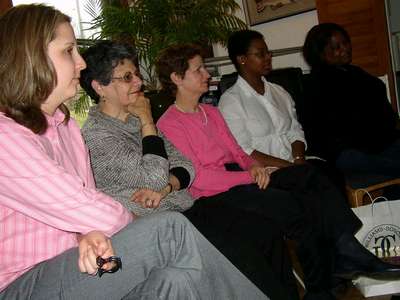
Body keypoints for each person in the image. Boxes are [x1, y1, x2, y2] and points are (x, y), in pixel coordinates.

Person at [0, 4, 270, 300]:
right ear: (31, 58)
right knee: (169, 230)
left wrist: (87, 233)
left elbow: (181, 164)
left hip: (83, 258)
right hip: (24, 284)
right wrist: (114, 221)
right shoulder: (6, 136)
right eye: (68, 51)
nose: (79, 63)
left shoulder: (66, 128)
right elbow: (91, 207)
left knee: (176, 280)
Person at [155, 43, 400, 300]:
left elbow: (239, 153)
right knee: (294, 206)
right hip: (212, 195)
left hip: (240, 179)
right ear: (177, 78)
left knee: (309, 175)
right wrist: (250, 175)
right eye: (199, 69)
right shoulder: (170, 124)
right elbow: (200, 179)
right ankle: (322, 287)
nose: (207, 74)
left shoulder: (212, 113)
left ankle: (346, 248)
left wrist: (256, 167)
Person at [80, 40, 296, 300]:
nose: (138, 82)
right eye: (128, 77)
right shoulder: (98, 136)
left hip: (186, 206)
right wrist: (149, 123)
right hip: (160, 224)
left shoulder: (134, 118)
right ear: (100, 87)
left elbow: (185, 166)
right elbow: (154, 174)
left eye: (136, 74)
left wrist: (168, 185)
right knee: (242, 253)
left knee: (265, 231)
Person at [219, 29, 345, 191]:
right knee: (313, 185)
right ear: (242, 59)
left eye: (268, 52)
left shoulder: (280, 92)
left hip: (296, 164)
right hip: (266, 172)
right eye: (260, 54)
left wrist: (299, 159)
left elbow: (295, 130)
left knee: (332, 175)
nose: (268, 57)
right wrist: (290, 167)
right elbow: (244, 150)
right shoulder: (231, 101)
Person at [302, 23, 400, 176]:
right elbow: (326, 134)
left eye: (346, 43)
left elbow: (381, 103)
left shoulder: (355, 72)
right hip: (349, 151)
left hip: (382, 142)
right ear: (320, 54)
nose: (345, 49)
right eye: (336, 47)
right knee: (352, 159)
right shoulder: (314, 85)